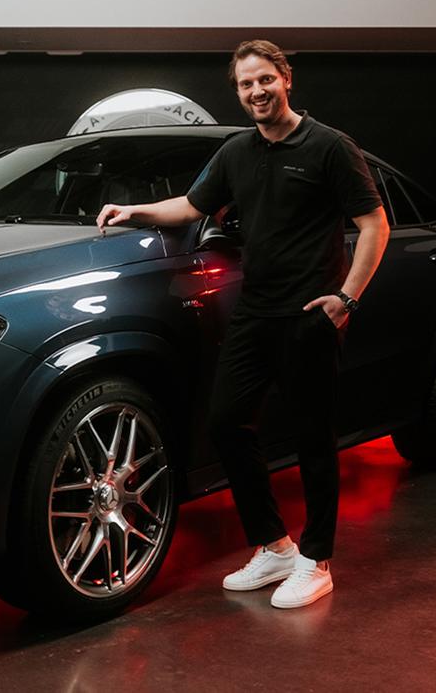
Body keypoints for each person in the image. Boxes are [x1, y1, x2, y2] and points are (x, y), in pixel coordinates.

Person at [96, 39, 389, 608]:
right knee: (227, 423)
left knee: (312, 439)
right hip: (256, 310)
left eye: (264, 80)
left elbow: (374, 225)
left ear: (286, 79)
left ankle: (316, 559)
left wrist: (346, 299)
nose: (256, 92)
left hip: (310, 314)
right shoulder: (236, 152)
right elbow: (191, 207)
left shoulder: (329, 147)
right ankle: (274, 546)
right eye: (244, 84)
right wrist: (135, 210)